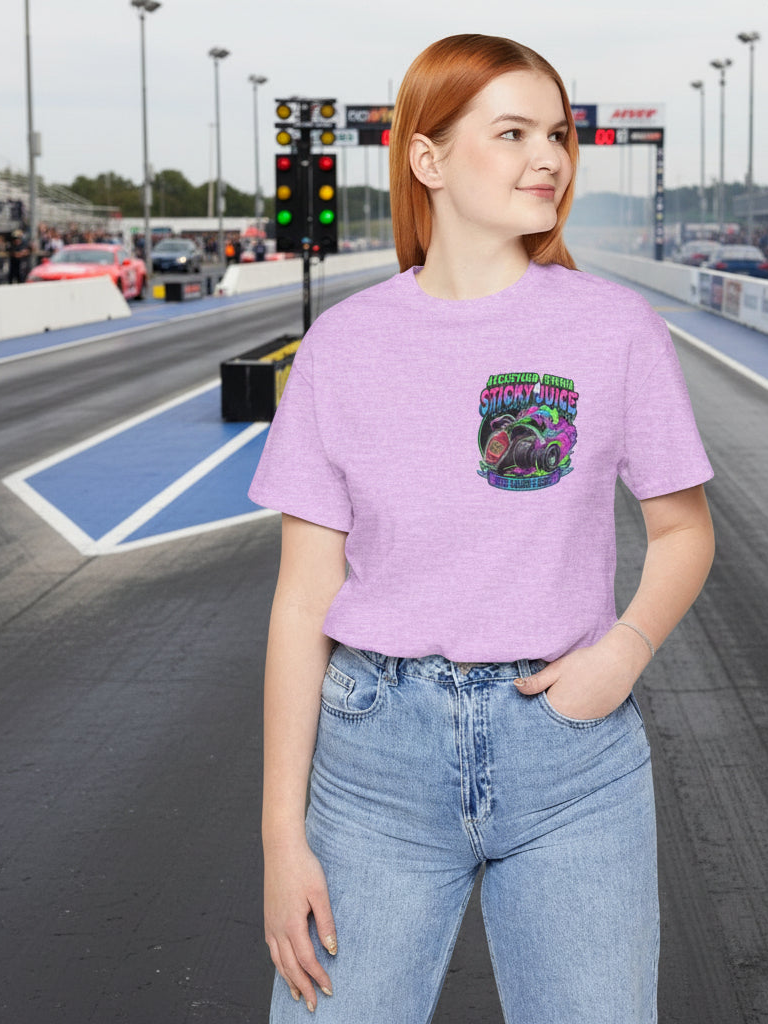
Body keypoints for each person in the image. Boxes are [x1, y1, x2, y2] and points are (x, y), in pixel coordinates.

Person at [248, 33, 715, 1023]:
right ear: (428, 159)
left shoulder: (614, 329)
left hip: (570, 763)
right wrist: (280, 837)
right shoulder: (344, 345)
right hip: (372, 766)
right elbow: (301, 600)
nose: (547, 156)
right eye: (511, 133)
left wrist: (622, 652)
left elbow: (682, 531)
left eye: (556, 133)